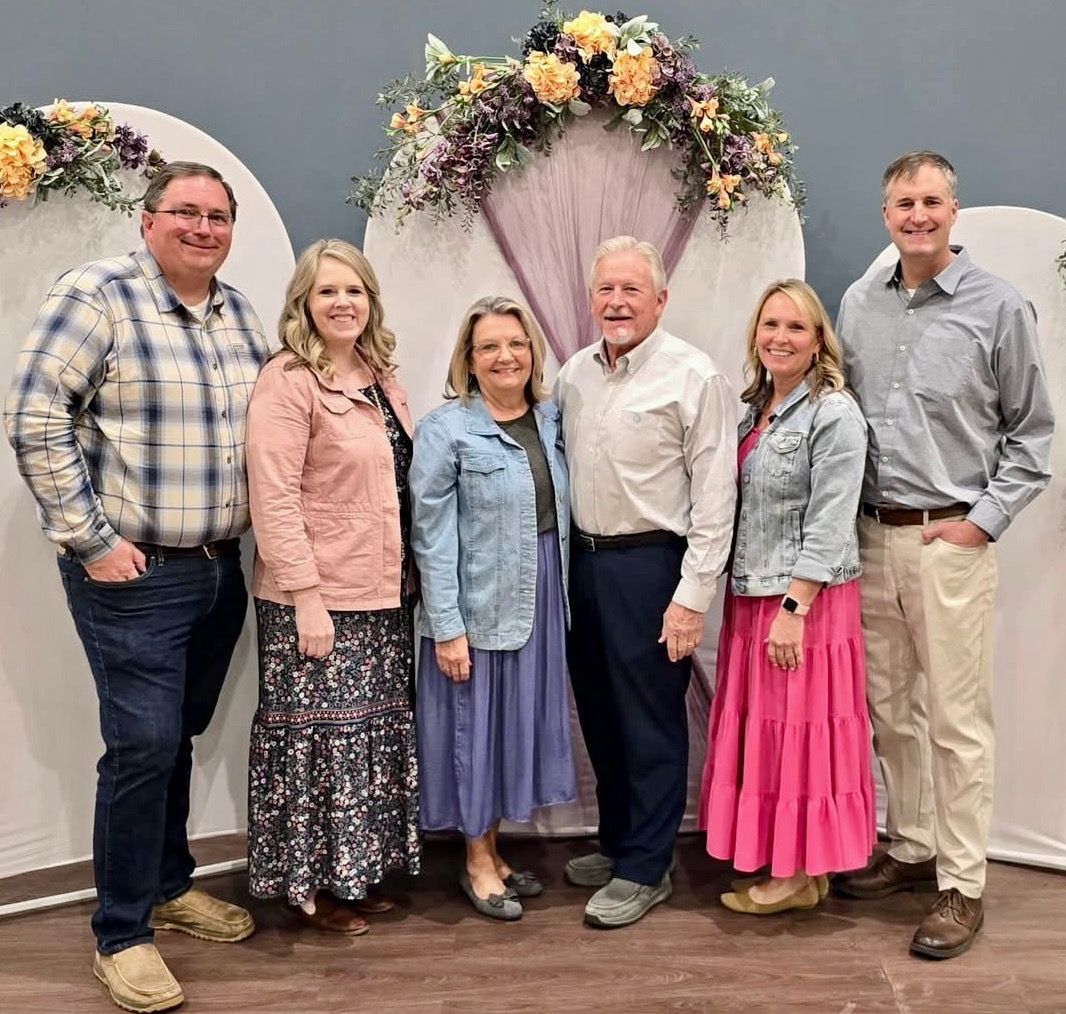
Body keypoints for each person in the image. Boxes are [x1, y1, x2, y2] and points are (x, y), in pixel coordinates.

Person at [4, 161, 268, 1013]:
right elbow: (34, 416)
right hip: (135, 571)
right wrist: (92, 541)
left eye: (217, 216)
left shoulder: (240, 313)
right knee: (143, 745)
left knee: (178, 734)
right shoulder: (98, 293)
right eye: (185, 212)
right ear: (148, 220)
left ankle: (167, 883)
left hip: (220, 567)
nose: (203, 227)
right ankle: (122, 933)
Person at [834, 151, 1054, 958]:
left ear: (954, 210)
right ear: (885, 214)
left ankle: (962, 885)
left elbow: (1032, 436)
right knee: (891, 709)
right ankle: (914, 845)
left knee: (959, 723)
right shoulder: (858, 303)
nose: (917, 215)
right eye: (902, 203)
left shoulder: (999, 308)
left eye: (930, 201)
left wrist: (980, 522)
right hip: (869, 537)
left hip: (950, 540)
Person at [554, 236, 737, 928]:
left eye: (632, 290)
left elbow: (716, 499)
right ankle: (621, 842)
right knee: (600, 716)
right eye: (606, 289)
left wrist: (691, 597)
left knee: (651, 721)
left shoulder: (695, 378)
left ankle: (646, 867)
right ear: (591, 298)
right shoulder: (573, 375)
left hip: (654, 566)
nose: (617, 302)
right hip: (587, 568)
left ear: (660, 299)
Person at [244, 239, 420, 934]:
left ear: (370, 299)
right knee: (317, 744)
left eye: (354, 290)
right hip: (315, 600)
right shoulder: (288, 381)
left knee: (368, 739)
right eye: (327, 292)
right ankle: (307, 887)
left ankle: (354, 873)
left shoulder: (381, 377)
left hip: (381, 593)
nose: (342, 302)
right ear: (304, 306)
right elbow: (274, 497)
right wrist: (307, 596)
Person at [698, 279, 877, 914]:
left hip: (803, 604)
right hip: (753, 596)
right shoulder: (754, 408)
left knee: (800, 736)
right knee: (769, 737)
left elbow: (831, 522)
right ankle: (796, 865)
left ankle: (797, 874)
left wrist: (794, 610)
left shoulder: (834, 413)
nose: (780, 337)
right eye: (770, 325)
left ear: (818, 339)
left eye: (796, 328)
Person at [410, 296, 575, 921]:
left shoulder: (551, 420)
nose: (505, 356)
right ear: (469, 360)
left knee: (510, 731)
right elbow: (430, 534)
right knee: (471, 732)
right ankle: (476, 860)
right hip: (475, 606)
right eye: (489, 347)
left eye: (516, 343)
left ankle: (496, 850)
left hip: (540, 599)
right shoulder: (445, 430)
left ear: (532, 352)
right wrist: (448, 628)